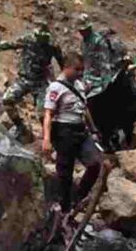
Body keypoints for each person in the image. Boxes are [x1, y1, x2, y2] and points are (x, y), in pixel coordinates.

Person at [41, 52, 102, 212]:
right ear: (66, 68)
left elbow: (84, 107)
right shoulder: (56, 88)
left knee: (95, 164)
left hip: (81, 131)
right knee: (65, 173)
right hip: (64, 132)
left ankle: (79, 196)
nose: (80, 73)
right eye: (77, 69)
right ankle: (65, 209)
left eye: (82, 70)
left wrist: (94, 129)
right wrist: (46, 139)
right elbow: (48, 114)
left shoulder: (80, 85)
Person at [0, 17, 63, 141]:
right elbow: (11, 44)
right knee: (7, 100)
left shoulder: (52, 45)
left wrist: (62, 82)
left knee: (43, 113)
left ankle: (49, 139)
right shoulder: (29, 39)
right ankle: (21, 128)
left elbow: (63, 63)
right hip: (24, 79)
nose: (40, 40)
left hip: (40, 82)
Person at [77, 14, 127, 93]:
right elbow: (85, 63)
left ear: (89, 28)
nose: (82, 32)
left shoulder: (98, 41)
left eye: (85, 30)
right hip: (87, 81)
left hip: (99, 82)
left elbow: (105, 64)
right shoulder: (83, 43)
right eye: (81, 30)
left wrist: (106, 86)